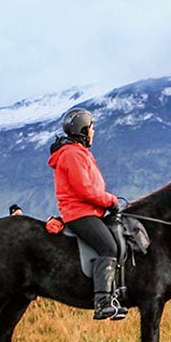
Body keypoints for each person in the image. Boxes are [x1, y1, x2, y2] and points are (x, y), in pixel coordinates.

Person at [48, 108, 128, 321]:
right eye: (92, 127)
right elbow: (84, 189)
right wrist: (110, 200)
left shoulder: (77, 152)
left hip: (90, 211)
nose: (94, 132)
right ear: (82, 129)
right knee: (108, 247)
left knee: (117, 242)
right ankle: (102, 303)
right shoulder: (72, 154)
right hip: (80, 213)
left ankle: (114, 298)